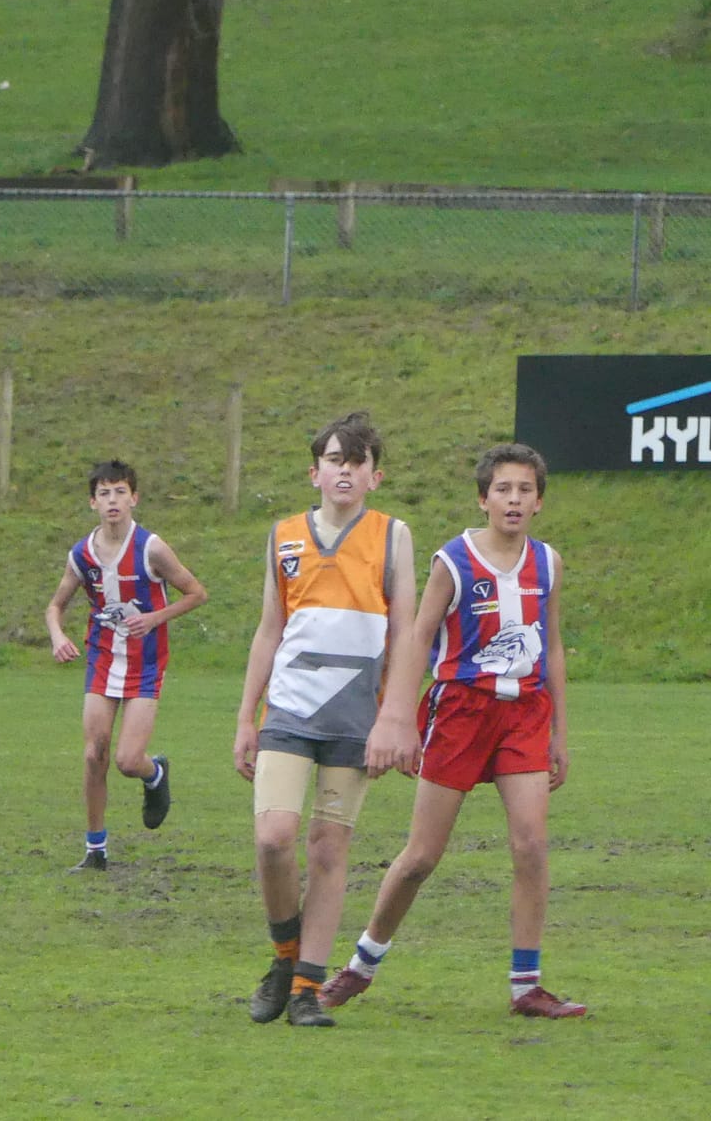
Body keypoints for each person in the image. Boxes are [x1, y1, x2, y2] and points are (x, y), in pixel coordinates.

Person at [320, 444, 584, 1019]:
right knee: (421, 856)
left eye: (525, 490)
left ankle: (526, 986)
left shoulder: (548, 563)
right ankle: (361, 965)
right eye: (503, 489)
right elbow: (418, 637)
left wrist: (560, 732)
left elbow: (554, 646)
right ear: (483, 498)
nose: (513, 500)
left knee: (531, 846)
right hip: (462, 711)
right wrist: (398, 718)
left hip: (525, 711)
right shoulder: (455, 560)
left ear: (539, 501)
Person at [232, 411, 417, 1029]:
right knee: (273, 837)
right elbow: (269, 629)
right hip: (289, 710)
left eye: (358, 462)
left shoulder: (393, 536)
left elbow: (406, 633)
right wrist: (246, 716)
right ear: (314, 472)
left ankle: (307, 987)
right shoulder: (284, 535)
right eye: (336, 459)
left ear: (375, 477)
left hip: (357, 717)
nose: (346, 470)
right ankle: (285, 957)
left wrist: (396, 718)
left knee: (330, 848)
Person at [45, 459, 207, 871]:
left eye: (120, 492)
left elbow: (196, 593)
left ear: (134, 498)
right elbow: (55, 606)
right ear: (93, 503)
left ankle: (155, 774)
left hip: (146, 663)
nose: (112, 500)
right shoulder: (82, 554)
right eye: (104, 493)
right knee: (93, 755)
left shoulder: (152, 548)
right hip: (102, 658)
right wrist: (58, 636)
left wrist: (154, 618)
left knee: (127, 760)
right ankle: (95, 850)